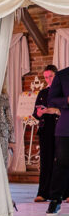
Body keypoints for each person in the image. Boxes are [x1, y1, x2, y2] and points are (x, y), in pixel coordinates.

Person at [44, 66, 69, 215]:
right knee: (62, 163)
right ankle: (55, 200)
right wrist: (66, 100)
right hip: (66, 128)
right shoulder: (63, 75)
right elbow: (51, 99)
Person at [35, 65, 59, 202]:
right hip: (45, 131)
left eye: (50, 76)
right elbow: (35, 113)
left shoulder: (63, 92)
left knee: (62, 162)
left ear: (56, 76)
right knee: (45, 162)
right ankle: (43, 193)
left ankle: (65, 193)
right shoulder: (42, 93)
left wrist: (53, 110)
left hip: (61, 129)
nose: (48, 79)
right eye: (45, 77)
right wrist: (39, 113)